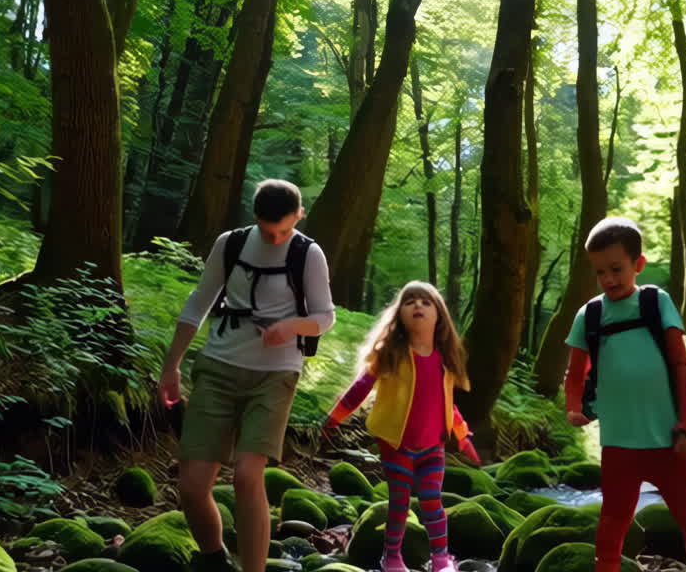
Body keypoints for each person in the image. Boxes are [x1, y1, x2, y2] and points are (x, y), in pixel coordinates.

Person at [158, 179, 335, 572]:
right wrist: (171, 366)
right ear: (254, 217)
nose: (275, 239)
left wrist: (290, 328)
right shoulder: (231, 243)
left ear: (299, 216)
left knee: (246, 476)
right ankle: (214, 559)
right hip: (219, 367)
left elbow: (325, 317)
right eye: (268, 230)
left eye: (284, 231)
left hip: (275, 374)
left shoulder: (309, 254)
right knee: (192, 485)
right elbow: (197, 304)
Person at [563, 217, 686, 572]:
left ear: (638, 264)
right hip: (618, 443)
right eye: (600, 272)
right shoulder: (590, 315)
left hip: (668, 439)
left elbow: (681, 365)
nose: (609, 279)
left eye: (616, 269)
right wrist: (573, 407)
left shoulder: (654, 302)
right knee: (611, 525)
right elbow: (575, 371)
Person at [322, 281, 481, 572]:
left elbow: (447, 405)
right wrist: (335, 417)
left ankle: (441, 559)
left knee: (433, 500)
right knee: (400, 500)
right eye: (410, 302)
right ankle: (392, 557)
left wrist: (463, 435)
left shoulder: (443, 360)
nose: (418, 305)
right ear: (399, 316)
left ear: (439, 316)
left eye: (425, 302)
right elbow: (360, 387)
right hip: (396, 443)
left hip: (433, 444)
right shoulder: (391, 355)